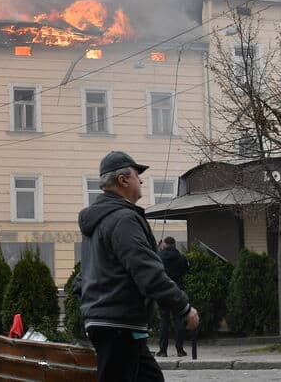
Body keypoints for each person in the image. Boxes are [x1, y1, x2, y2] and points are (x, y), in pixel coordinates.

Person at [77, 150, 199, 382]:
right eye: (136, 175)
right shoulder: (123, 219)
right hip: (118, 324)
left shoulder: (100, 220)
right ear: (123, 180)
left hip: (113, 322)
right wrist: (183, 307)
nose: (141, 180)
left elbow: (81, 278)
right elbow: (149, 273)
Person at [156, 237, 189, 357]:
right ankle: (180, 350)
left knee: (164, 320)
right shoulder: (181, 258)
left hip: (163, 291)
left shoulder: (159, 257)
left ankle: (163, 350)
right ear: (174, 245)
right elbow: (186, 270)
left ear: (164, 244)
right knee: (179, 320)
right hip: (178, 291)